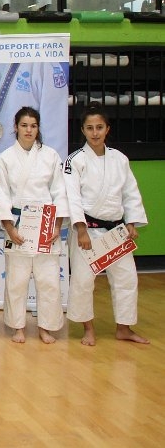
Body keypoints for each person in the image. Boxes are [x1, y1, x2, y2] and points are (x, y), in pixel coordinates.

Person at [64, 103, 149, 346]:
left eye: (99, 127)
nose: (95, 132)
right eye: (89, 128)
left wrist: (131, 222)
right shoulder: (75, 161)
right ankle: (87, 329)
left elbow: (130, 193)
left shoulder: (119, 159)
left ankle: (124, 327)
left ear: (107, 129)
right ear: (83, 130)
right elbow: (72, 197)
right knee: (82, 280)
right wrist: (80, 228)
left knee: (127, 278)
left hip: (116, 230)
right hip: (88, 230)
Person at [0, 106, 68, 344]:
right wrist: (9, 228)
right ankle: (18, 327)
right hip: (18, 223)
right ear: (15, 127)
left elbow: (59, 192)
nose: (28, 130)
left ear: (38, 128)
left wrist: (57, 226)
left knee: (49, 281)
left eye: (33, 126)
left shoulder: (51, 156)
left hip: (45, 225)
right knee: (17, 280)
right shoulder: (5, 158)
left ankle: (46, 326)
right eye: (24, 125)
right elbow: (2, 195)